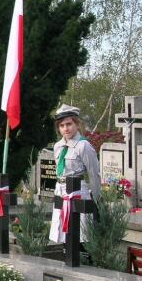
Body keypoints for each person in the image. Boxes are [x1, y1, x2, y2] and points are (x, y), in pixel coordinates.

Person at [48, 104, 101, 245]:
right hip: (61, 190)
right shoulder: (58, 146)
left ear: (77, 124)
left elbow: (94, 174)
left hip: (77, 192)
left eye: (69, 124)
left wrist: (96, 201)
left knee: (79, 233)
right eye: (62, 125)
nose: (66, 128)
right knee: (63, 232)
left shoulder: (84, 146)